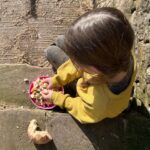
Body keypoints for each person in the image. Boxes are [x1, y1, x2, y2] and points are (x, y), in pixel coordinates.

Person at [41, 7, 137, 123]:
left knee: (50, 51)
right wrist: (58, 79)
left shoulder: (97, 101)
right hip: (104, 91)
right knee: (61, 40)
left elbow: (82, 111)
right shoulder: (125, 55)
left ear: (93, 68)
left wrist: (56, 98)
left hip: (96, 102)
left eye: (78, 61)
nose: (76, 63)